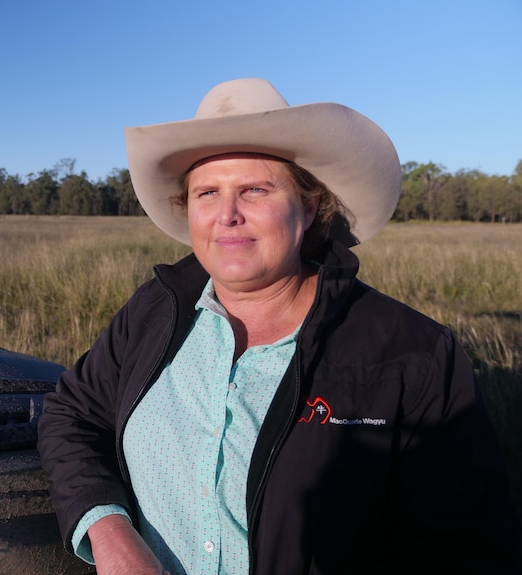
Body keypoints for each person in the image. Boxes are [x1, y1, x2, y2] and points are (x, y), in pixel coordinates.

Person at [37, 78, 522, 575]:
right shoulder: (154, 313)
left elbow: (468, 548)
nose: (227, 215)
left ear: (309, 207)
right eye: (208, 192)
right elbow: (73, 416)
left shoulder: (412, 354)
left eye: (254, 189)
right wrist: (111, 534)